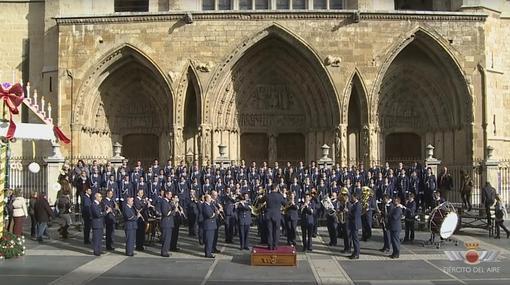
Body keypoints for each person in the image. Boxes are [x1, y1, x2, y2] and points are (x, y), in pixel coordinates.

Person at [265, 186, 286, 250]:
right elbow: (285, 204)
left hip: (269, 215)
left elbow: (260, 201)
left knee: (269, 231)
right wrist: (284, 197)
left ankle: (270, 245)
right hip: (277, 215)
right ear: (276, 188)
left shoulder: (267, 195)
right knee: (276, 231)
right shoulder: (280, 196)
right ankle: (275, 245)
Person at [159, 191, 176, 257]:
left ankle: (166, 250)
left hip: (169, 223)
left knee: (168, 238)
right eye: (170, 194)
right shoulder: (164, 202)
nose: (171, 196)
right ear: (166, 195)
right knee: (166, 238)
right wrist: (173, 211)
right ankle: (164, 252)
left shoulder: (168, 202)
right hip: (166, 223)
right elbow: (165, 213)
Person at [203, 194, 218, 258]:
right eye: (209, 198)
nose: (210, 199)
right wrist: (215, 213)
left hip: (212, 225)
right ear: (206, 199)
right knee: (208, 240)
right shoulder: (205, 205)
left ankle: (209, 252)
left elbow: (214, 211)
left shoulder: (210, 205)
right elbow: (209, 215)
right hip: (208, 225)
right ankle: (208, 253)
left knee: (211, 240)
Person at [347, 193, 362, 259]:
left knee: (355, 239)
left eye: (352, 197)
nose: (351, 199)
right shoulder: (354, 204)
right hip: (353, 224)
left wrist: (348, 212)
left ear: (355, 198)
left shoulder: (358, 205)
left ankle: (357, 253)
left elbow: (355, 216)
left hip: (355, 224)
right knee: (354, 239)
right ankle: (355, 252)